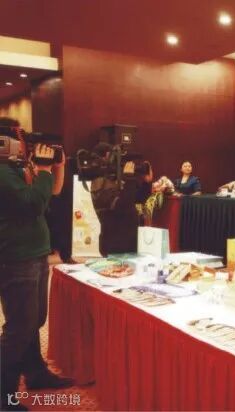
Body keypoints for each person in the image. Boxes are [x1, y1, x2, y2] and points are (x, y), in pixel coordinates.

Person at [0, 121, 74, 410]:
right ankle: (4, 396)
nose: (25, 145)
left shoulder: (15, 168)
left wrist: (56, 166)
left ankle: (35, 372)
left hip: (33, 254)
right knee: (20, 327)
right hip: (16, 257)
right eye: (21, 139)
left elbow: (52, 191)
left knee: (33, 321)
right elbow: (32, 204)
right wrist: (42, 169)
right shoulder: (3, 172)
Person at [90, 142, 140, 256]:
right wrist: (129, 179)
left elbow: (136, 199)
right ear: (106, 156)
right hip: (115, 244)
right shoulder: (99, 182)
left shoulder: (115, 179)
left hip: (128, 241)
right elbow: (122, 206)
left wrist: (147, 183)